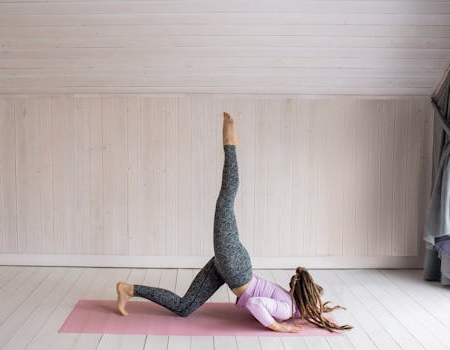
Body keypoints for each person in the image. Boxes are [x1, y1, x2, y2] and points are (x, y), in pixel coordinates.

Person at [116, 112, 353, 333]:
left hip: (228, 268)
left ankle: (129, 289)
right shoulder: (287, 310)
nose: (321, 308)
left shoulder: (292, 305)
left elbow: (269, 302)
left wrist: (313, 312)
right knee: (226, 199)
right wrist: (277, 327)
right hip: (234, 266)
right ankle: (230, 145)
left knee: (184, 307)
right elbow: (257, 303)